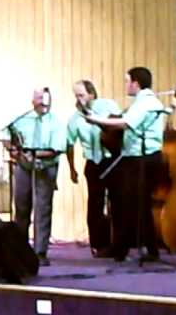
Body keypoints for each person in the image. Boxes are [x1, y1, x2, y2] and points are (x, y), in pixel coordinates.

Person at [85, 67, 165, 262]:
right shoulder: (142, 102)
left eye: (127, 81)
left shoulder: (146, 102)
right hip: (135, 158)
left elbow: (126, 123)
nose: (126, 85)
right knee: (134, 205)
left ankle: (129, 249)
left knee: (131, 205)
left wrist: (96, 119)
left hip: (143, 159)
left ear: (136, 83)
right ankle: (141, 249)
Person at [8, 87, 66, 266]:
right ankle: (20, 249)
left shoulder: (56, 122)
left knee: (42, 209)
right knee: (21, 208)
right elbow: (8, 135)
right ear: (33, 101)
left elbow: (56, 149)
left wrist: (34, 155)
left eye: (46, 101)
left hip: (45, 167)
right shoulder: (22, 119)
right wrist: (12, 148)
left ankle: (40, 252)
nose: (43, 104)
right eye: (39, 100)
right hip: (24, 166)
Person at [67, 80, 121, 258]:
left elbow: (120, 127)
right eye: (76, 96)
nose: (78, 99)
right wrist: (72, 169)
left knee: (117, 202)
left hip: (111, 159)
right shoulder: (75, 118)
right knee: (95, 204)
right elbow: (69, 143)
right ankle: (98, 245)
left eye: (81, 95)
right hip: (93, 163)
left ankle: (119, 244)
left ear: (91, 93)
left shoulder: (108, 105)